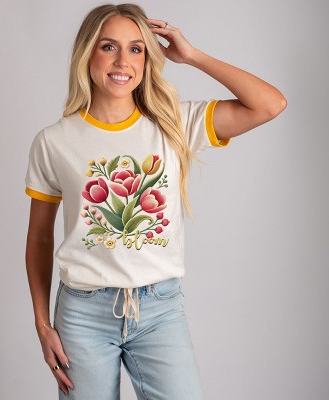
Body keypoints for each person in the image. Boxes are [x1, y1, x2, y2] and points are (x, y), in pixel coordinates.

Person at [24, 3, 286, 399]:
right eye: (109, 46)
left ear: (147, 59)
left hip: (160, 310)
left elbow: (270, 104)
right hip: (82, 314)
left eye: (136, 49)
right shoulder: (54, 141)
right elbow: (40, 237)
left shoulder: (174, 123)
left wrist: (192, 56)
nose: (122, 60)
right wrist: (42, 325)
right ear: (87, 53)